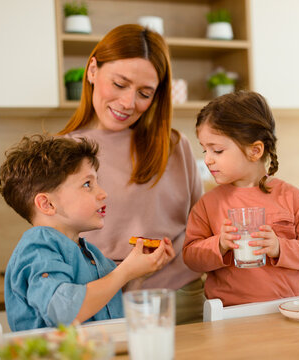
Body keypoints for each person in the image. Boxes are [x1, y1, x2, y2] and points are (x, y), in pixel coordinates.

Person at [58, 24, 204, 323]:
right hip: (100, 304)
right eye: (120, 84)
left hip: (180, 297)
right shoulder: (61, 153)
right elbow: (57, 244)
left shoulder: (175, 146)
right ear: (93, 70)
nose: (128, 103)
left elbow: (201, 226)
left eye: (144, 93)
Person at [0, 135, 174, 331]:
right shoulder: (37, 248)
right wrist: (125, 271)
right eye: (87, 184)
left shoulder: (91, 253)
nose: (103, 193)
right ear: (47, 204)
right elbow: (65, 313)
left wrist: (138, 275)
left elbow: (111, 311)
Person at [183, 91, 299, 306]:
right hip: (228, 315)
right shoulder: (208, 204)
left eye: (217, 150)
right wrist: (219, 244)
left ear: (255, 150)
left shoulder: (291, 197)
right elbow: (190, 256)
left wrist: (280, 247)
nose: (208, 160)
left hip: (285, 309)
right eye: (205, 150)